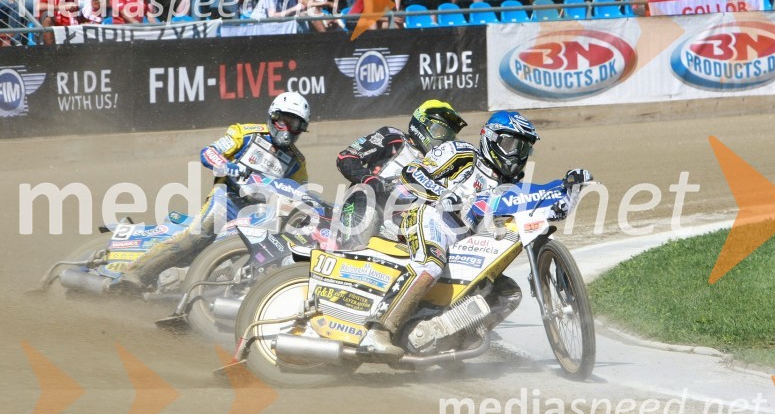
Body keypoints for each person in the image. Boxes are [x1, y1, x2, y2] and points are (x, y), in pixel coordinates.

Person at [357, 111, 547, 357]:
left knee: (508, 293)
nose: (516, 155)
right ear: (490, 138)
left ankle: (450, 338)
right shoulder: (462, 153)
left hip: (465, 240)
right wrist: (442, 193)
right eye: (511, 145)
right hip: (430, 216)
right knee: (431, 264)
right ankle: (377, 332)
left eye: (524, 150)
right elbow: (413, 172)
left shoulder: (512, 188)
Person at [114, 92, 311, 291]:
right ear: (273, 116)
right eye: (285, 122)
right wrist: (227, 166)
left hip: (259, 214)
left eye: (295, 125)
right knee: (197, 235)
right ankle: (134, 274)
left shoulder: (298, 162)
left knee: (261, 254)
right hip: (226, 199)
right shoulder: (246, 134)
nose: (288, 130)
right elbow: (209, 152)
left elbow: (298, 194)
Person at [336, 99, 467, 246]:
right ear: (422, 125)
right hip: (372, 205)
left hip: (407, 224)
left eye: (449, 137)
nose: (444, 140)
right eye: (440, 132)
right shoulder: (393, 137)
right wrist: (370, 180)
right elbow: (346, 157)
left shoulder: (444, 163)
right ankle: (350, 247)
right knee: (365, 191)